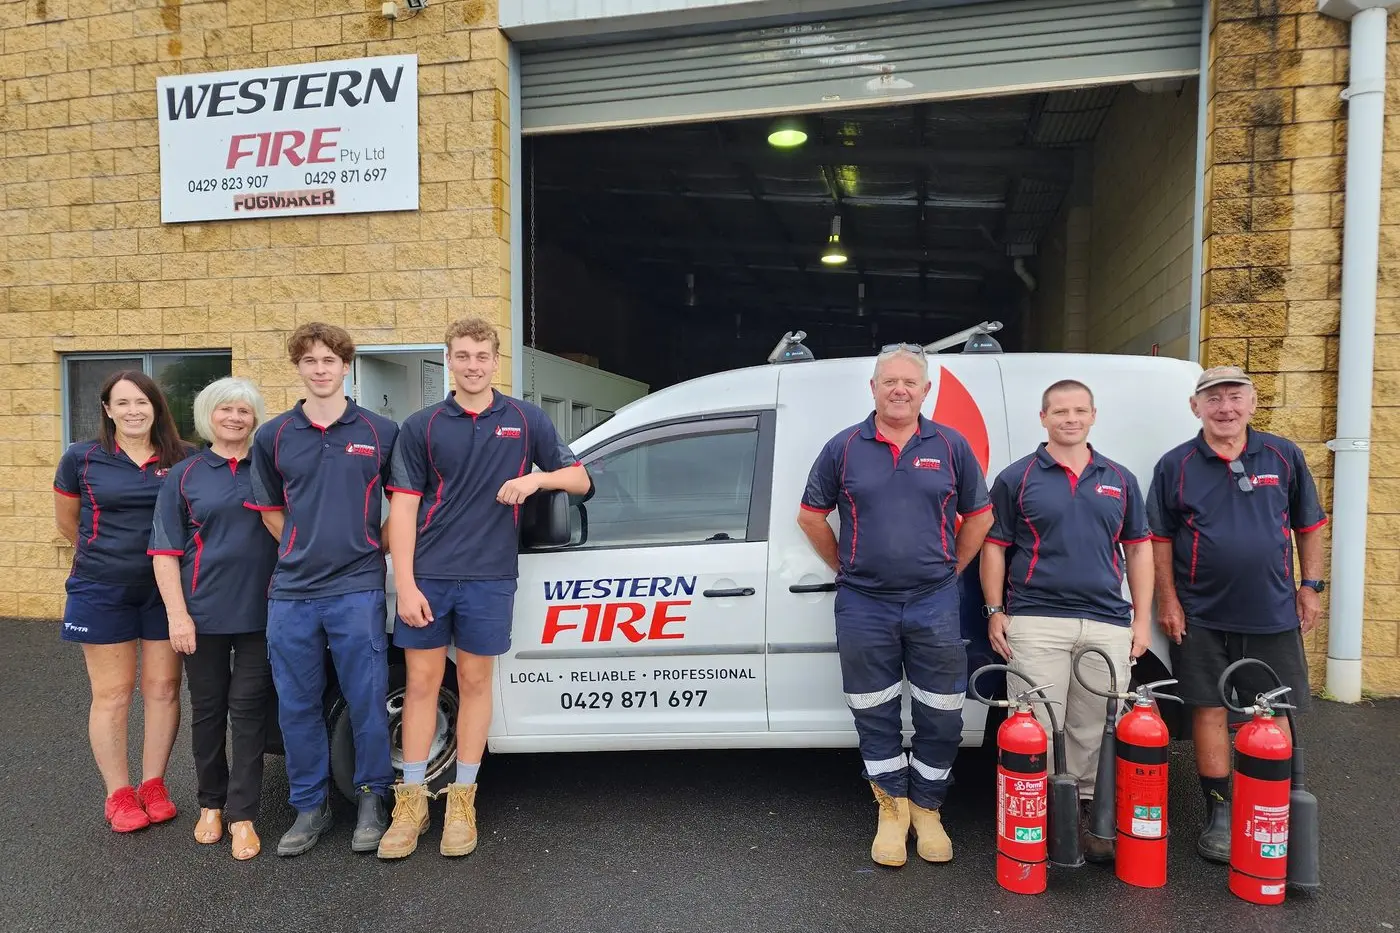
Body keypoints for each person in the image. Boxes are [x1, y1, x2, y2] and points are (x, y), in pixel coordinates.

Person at [376, 317, 590, 861]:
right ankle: (411, 802)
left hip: (491, 578)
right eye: (463, 355)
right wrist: (404, 584)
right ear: (449, 360)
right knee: (422, 685)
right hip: (429, 576)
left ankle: (462, 800)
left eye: (482, 356)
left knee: (474, 683)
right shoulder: (421, 426)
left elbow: (580, 478)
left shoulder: (525, 419)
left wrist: (535, 478)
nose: (473, 365)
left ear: (497, 361)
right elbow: (402, 508)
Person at [797, 343, 994, 868]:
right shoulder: (843, 447)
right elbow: (810, 516)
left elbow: (979, 517)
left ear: (925, 391)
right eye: (890, 381)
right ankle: (892, 807)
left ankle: (929, 808)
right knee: (874, 709)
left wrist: (952, 568)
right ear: (874, 388)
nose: (900, 389)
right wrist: (846, 566)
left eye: (910, 382)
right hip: (864, 604)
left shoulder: (951, 446)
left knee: (942, 712)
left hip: (934, 602)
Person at [1146, 365, 1327, 863]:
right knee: (1208, 708)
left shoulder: (1283, 455)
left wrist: (1310, 586)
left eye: (1234, 397)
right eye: (1213, 399)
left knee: (1276, 710)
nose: (1225, 408)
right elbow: (1159, 540)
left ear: (1251, 403)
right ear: (1195, 407)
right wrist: (1169, 600)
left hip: (1272, 610)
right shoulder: (1175, 464)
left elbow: (1308, 525)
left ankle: (1276, 804)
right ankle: (1220, 813)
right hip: (1200, 613)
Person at [979, 379, 1152, 863]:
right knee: (1036, 723)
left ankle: (1088, 823)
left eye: (1079, 410)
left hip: (1107, 622)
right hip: (1036, 620)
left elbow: (1138, 550)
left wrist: (1141, 622)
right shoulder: (1018, 477)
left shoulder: (1119, 477)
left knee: (1094, 727)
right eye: (1060, 411)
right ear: (1043, 418)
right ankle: (1040, 823)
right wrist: (995, 611)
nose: (1070, 419)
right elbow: (994, 548)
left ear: (1093, 415)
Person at [245, 323, 400, 857]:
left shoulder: (381, 431)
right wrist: (299, 545)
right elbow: (269, 510)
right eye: (310, 360)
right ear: (298, 367)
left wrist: (374, 552)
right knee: (297, 704)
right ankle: (309, 806)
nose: (320, 368)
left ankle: (372, 799)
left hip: (357, 586)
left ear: (345, 366)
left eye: (330, 360)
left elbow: (402, 505)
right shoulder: (273, 436)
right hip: (292, 591)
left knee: (366, 699)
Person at [53, 370, 192, 832]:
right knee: (112, 694)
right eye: (123, 403)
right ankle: (119, 793)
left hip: (165, 591)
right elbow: (68, 521)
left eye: (143, 402)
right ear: (108, 410)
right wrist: (107, 557)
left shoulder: (183, 458)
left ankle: (153, 783)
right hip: (101, 589)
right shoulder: (81, 458)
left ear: (156, 408)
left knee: (163, 689)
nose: (134, 411)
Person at [149, 377, 278, 860]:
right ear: (209, 416)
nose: (235, 418)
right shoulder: (184, 475)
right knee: (208, 712)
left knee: (248, 714)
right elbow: (164, 553)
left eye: (244, 411)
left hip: (262, 613)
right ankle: (211, 804)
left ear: (254, 419)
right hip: (199, 616)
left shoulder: (270, 470)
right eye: (226, 410)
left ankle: (243, 814)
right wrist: (177, 615)